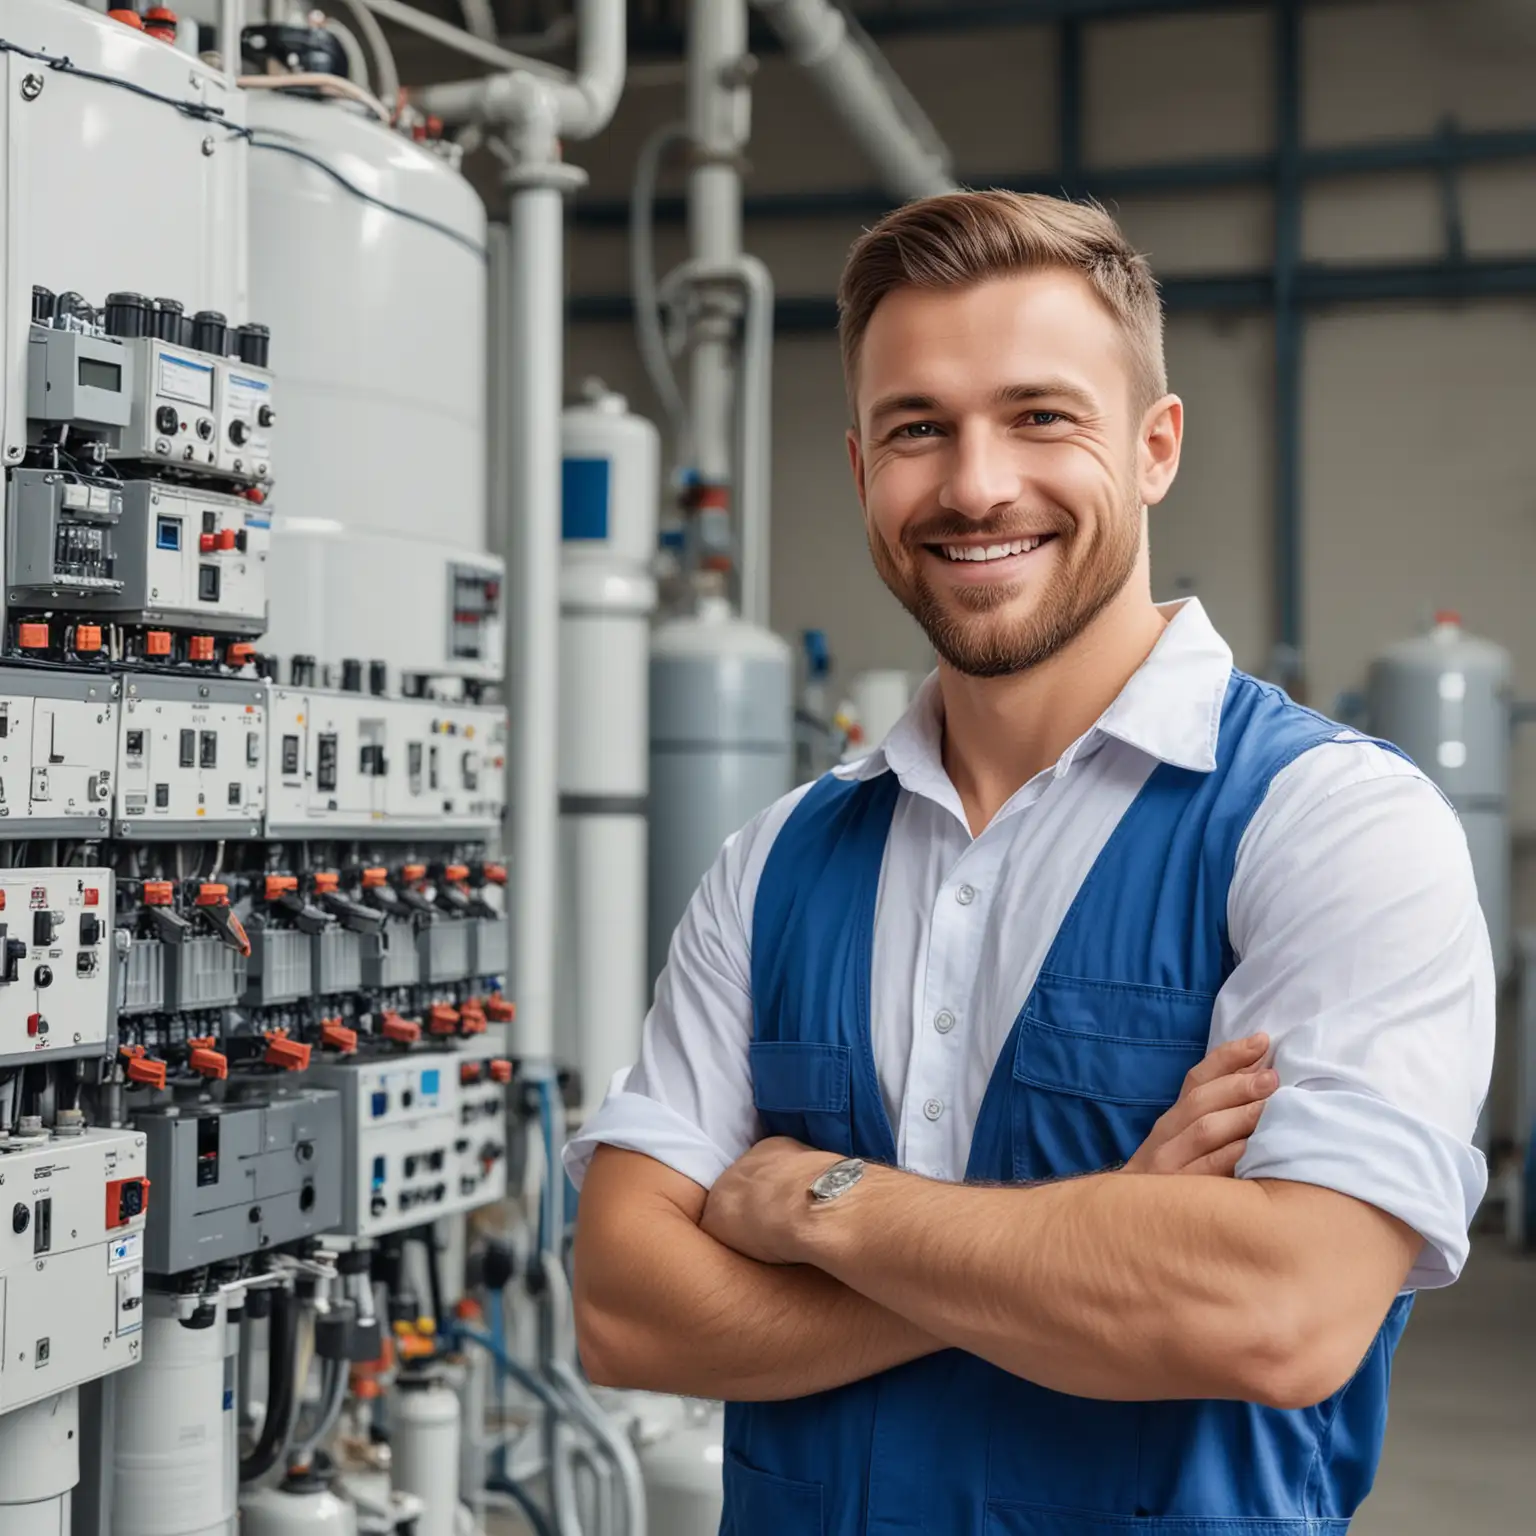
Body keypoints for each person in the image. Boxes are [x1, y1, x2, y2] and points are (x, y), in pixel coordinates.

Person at [564, 190, 1494, 1534]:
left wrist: (826, 1204)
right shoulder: (776, 863)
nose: (977, 484)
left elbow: (1282, 1312)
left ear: (1156, 445)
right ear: (860, 467)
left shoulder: (1333, 825)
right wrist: (1108, 1229)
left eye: (1040, 416)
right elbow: (621, 1308)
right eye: (917, 430)